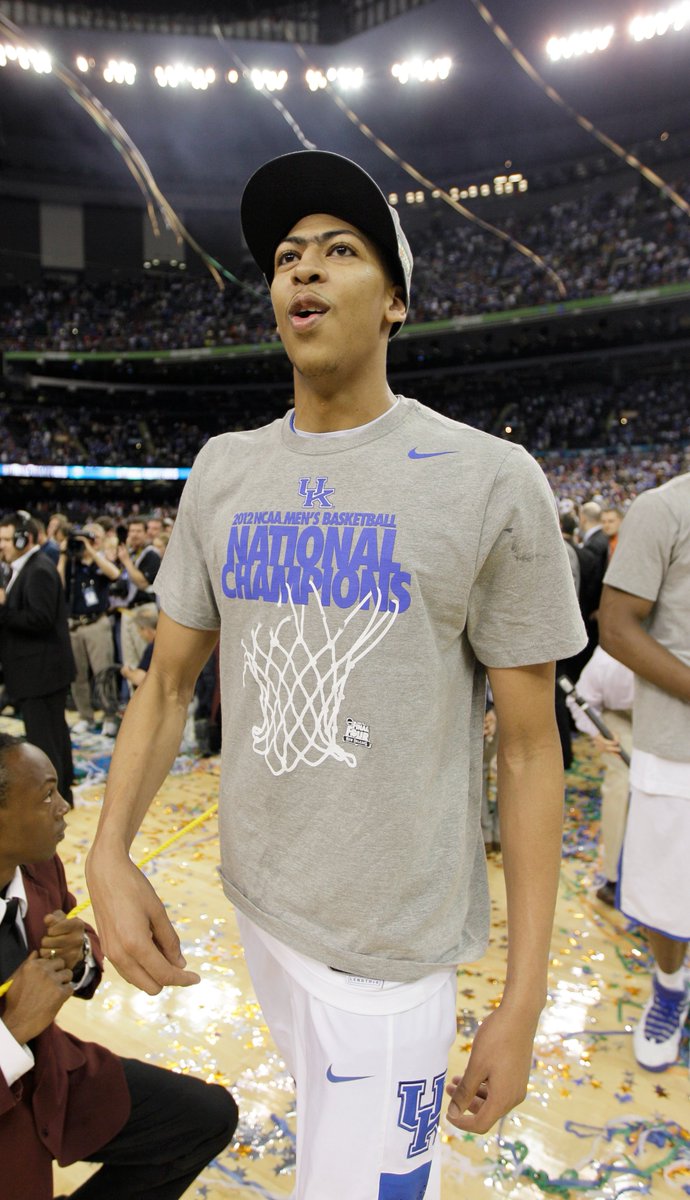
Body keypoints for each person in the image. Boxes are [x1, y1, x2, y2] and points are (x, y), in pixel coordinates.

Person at [85, 150, 586, 1199]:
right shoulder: (224, 469)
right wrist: (110, 851)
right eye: (286, 258)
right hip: (259, 903)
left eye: (340, 250)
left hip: (387, 953)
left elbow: (530, 748)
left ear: (396, 300)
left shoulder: (491, 480)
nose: (303, 270)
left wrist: (524, 998)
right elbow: (167, 686)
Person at [0, 733, 238, 1200]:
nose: (64, 807)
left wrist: (79, 958)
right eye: (47, 795)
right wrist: (12, 1032)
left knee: (205, 1118)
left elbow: (77, 931)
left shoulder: (38, 866)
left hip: (54, 1074)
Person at [599, 472, 690, 1072]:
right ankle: (669, 986)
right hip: (679, 744)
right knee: (668, 896)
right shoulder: (664, 508)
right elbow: (616, 625)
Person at [0, 512, 75, 807]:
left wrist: (3, 609)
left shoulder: (38, 569)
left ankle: (54, 801)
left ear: (25, 538)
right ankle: (63, 795)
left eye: (6, 539)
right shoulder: (27, 568)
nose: (1, 545)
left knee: (46, 740)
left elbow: (40, 619)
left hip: (40, 673)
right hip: (39, 671)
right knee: (55, 735)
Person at [566, 645, 634, 906]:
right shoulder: (609, 657)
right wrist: (596, 733)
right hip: (623, 719)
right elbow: (579, 700)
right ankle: (615, 877)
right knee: (621, 784)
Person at [57, 523, 121, 737]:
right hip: (74, 624)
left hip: (96, 623)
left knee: (103, 672)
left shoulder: (100, 561)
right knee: (77, 675)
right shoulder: (71, 563)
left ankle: (110, 716)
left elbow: (114, 574)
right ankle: (85, 716)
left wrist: (92, 552)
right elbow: (57, 585)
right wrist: (64, 555)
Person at [116, 518, 160, 672]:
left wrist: (127, 562)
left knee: (144, 662)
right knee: (129, 663)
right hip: (128, 611)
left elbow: (142, 582)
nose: (134, 535)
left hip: (144, 610)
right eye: (132, 531)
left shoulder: (152, 554)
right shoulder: (130, 554)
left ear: (146, 533)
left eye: (138, 531)